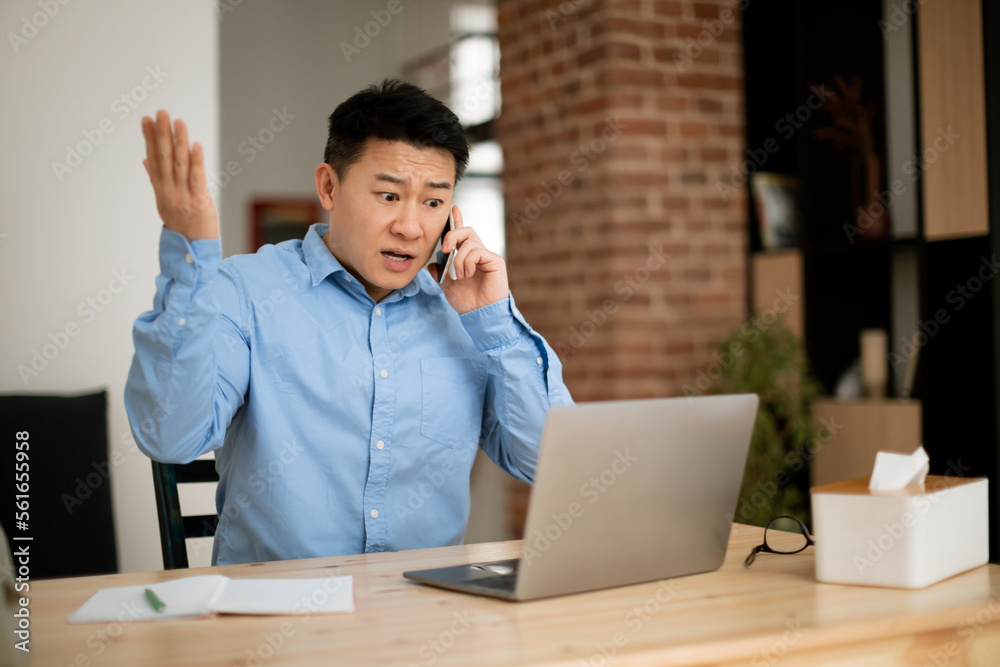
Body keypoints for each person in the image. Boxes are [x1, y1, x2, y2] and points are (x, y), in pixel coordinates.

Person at [125, 79, 573, 566]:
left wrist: (496, 323)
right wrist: (190, 253)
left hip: (427, 617)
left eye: (432, 202)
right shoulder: (247, 291)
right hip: (272, 621)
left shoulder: (467, 317)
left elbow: (552, 464)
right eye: (388, 196)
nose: (410, 226)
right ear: (329, 186)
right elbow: (169, 435)